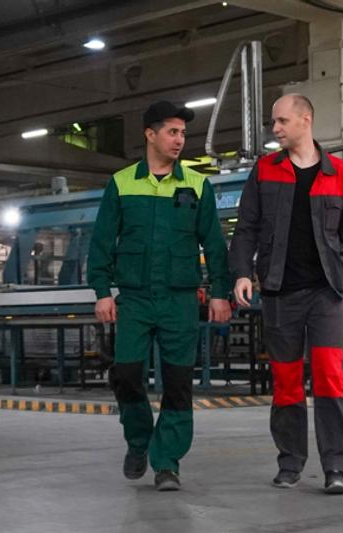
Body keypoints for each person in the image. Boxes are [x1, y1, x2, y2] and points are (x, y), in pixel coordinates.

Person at [87, 101, 232, 491]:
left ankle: (167, 462)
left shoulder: (197, 184)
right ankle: (139, 441)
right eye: (172, 132)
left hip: (179, 299)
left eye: (183, 133)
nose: (179, 140)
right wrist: (102, 291)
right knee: (126, 374)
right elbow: (102, 242)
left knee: (178, 382)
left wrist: (220, 292)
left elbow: (214, 245)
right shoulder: (122, 183)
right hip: (134, 299)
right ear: (150, 135)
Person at [229, 94, 343, 494]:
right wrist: (242, 273)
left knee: (330, 380)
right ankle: (290, 463)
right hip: (279, 292)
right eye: (274, 122)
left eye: (281, 121)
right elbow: (246, 228)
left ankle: (336, 467)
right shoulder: (265, 170)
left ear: (306, 120)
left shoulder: (340, 173)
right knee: (286, 382)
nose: (275, 129)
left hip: (326, 293)